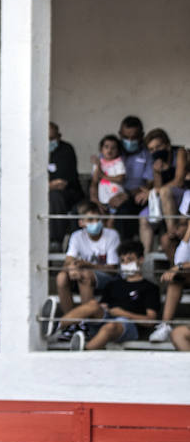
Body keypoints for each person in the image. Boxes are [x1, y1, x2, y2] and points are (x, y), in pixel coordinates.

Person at [41, 201, 121, 339]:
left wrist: (87, 265)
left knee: (84, 274)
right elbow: (69, 259)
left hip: (107, 278)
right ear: (81, 222)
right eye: (90, 220)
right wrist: (71, 268)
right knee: (61, 277)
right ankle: (72, 325)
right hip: (84, 276)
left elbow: (112, 269)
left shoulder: (111, 235)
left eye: (97, 218)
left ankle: (86, 324)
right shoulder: (77, 236)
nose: (95, 222)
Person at [63, 239, 160, 351]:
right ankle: (57, 325)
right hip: (106, 319)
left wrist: (123, 313)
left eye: (130, 259)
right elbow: (103, 305)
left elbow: (150, 320)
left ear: (141, 260)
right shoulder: (113, 284)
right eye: (123, 261)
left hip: (129, 326)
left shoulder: (150, 288)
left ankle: (82, 353)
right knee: (93, 304)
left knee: (110, 326)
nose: (126, 263)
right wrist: (103, 307)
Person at [139, 127, 187, 260]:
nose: (156, 151)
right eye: (152, 149)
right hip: (166, 198)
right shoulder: (155, 162)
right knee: (143, 217)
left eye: (158, 146)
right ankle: (146, 256)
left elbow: (179, 181)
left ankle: (172, 232)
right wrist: (157, 172)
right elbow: (158, 187)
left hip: (183, 195)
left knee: (165, 192)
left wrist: (153, 191)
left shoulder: (180, 152)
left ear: (167, 144)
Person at [151, 211, 190, 347]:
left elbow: (178, 265)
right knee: (175, 281)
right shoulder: (185, 240)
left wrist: (178, 267)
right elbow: (179, 261)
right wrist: (186, 237)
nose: (177, 228)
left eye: (182, 225)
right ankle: (165, 325)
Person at [48, 122, 83, 249]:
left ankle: (56, 242)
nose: (48, 142)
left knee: (55, 196)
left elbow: (61, 183)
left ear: (59, 136)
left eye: (51, 139)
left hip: (70, 195)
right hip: (41, 196)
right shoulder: (34, 150)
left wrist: (44, 186)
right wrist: (49, 185)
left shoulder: (66, 150)